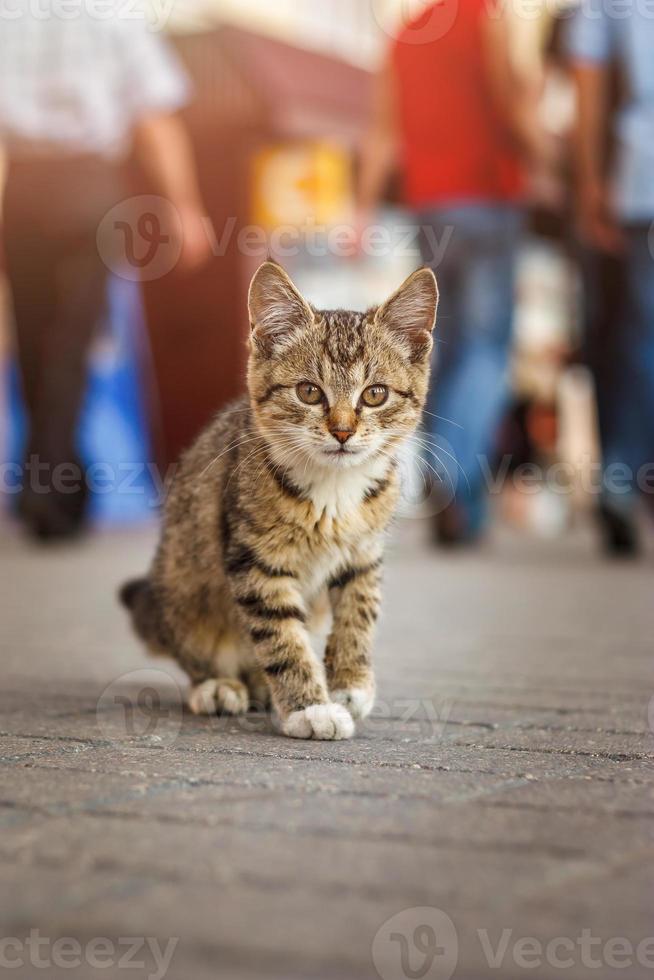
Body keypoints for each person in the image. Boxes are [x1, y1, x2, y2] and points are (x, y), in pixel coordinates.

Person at [0, 9, 210, 542]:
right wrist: (184, 207)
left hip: (22, 188)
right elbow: (155, 118)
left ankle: (47, 480)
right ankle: (51, 487)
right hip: (88, 186)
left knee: (30, 338)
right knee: (71, 342)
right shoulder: (115, 16)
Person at [357, 0, 550, 546]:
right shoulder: (488, 16)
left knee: (440, 343)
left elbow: (382, 131)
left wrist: (362, 207)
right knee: (488, 346)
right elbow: (511, 100)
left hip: (431, 207)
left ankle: (459, 499)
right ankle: (454, 472)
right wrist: (554, 163)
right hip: (489, 196)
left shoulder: (405, 35)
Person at [567, 3, 654, 556]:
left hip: (641, 176)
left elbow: (588, 77)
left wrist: (591, 181)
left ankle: (622, 482)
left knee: (637, 336)